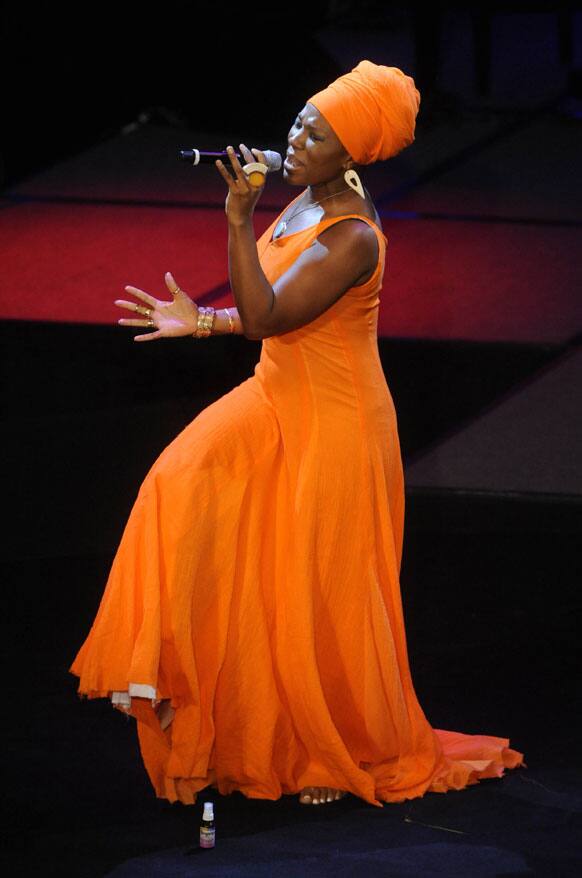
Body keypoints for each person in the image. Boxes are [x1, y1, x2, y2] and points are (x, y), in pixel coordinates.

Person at [69, 60, 525, 808]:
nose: (295, 135)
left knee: (313, 588)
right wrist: (205, 321)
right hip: (277, 389)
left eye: (317, 132)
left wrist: (238, 219)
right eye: (301, 119)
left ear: (352, 154)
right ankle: (194, 690)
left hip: (336, 419)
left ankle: (328, 748)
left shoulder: (353, 236)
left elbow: (272, 316)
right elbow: (268, 314)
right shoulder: (311, 197)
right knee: (179, 484)